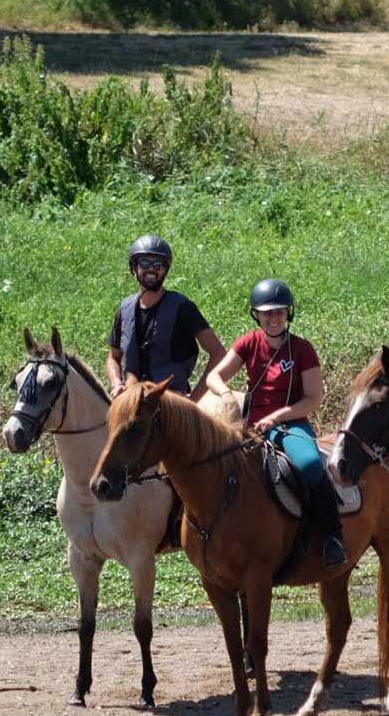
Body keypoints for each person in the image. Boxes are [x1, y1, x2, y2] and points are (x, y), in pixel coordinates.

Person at [204, 278, 346, 569]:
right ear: (256, 314)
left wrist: (277, 417)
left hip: (289, 424)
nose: (273, 318)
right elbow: (214, 377)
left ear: (288, 314)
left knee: (309, 464)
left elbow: (313, 398)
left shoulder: (302, 350)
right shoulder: (248, 343)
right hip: (249, 426)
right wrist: (227, 394)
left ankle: (332, 536)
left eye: (280, 311)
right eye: (267, 312)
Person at [106, 234, 226, 400]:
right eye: (145, 263)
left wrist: (194, 400)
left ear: (165, 269)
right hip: (132, 402)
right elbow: (113, 356)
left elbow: (218, 353)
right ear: (134, 267)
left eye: (158, 264)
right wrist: (117, 383)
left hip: (171, 405)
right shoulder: (124, 309)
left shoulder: (183, 308)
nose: (152, 269)